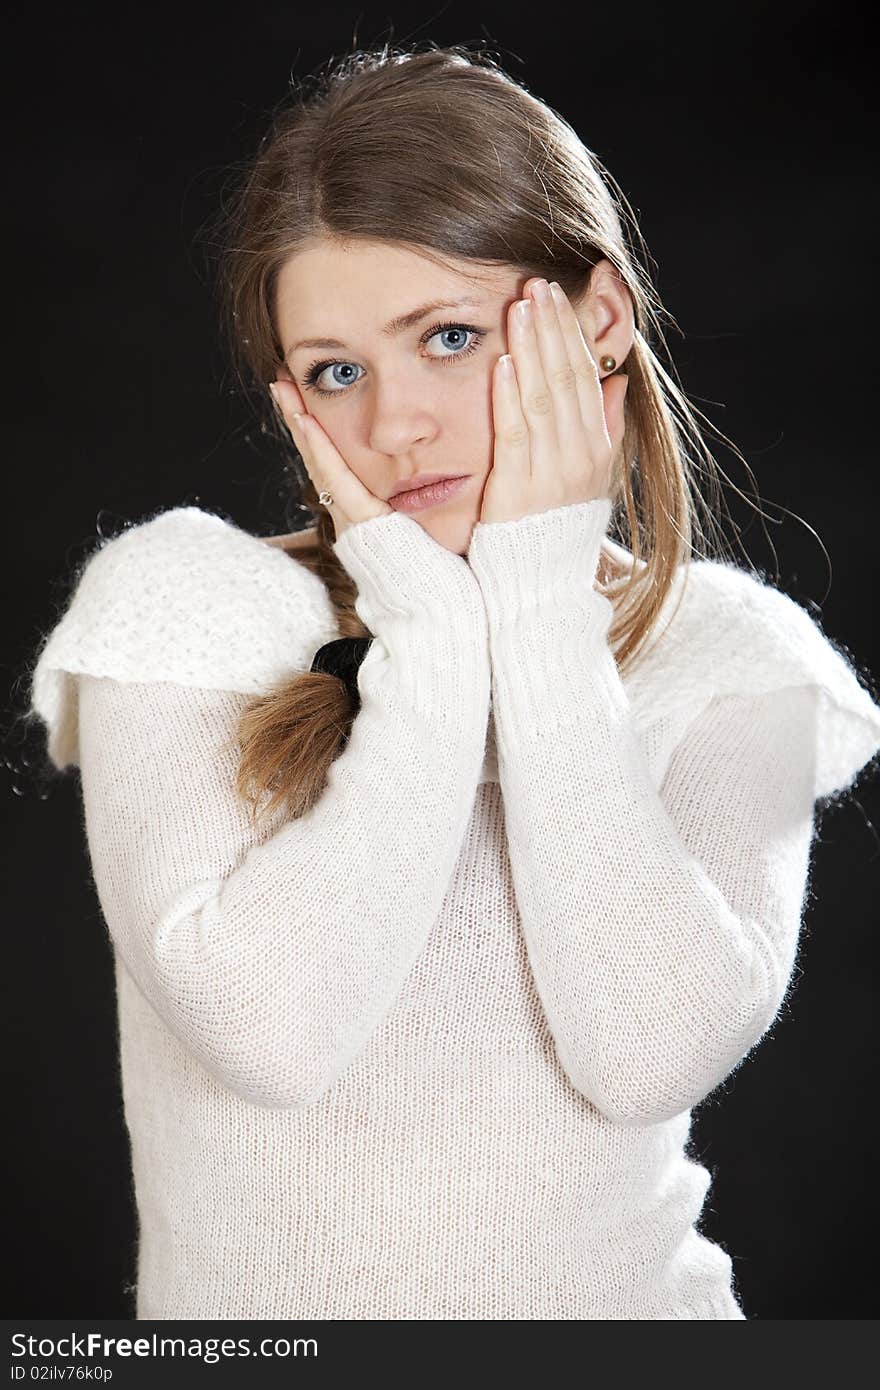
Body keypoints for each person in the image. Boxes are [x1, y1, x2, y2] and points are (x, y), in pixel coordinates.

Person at [26, 42, 880, 1321]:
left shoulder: (728, 657)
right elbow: (270, 1032)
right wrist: (430, 637)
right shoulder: (187, 602)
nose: (395, 423)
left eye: (448, 336)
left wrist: (533, 612)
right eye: (336, 370)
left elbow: (648, 1050)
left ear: (597, 324)